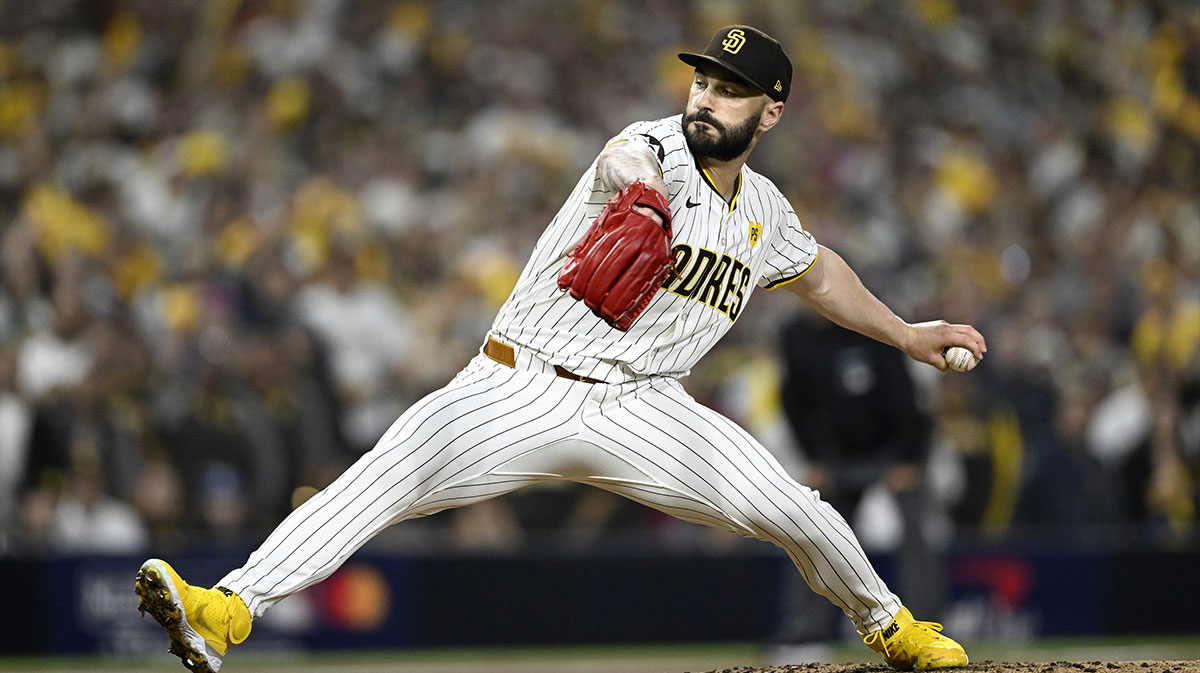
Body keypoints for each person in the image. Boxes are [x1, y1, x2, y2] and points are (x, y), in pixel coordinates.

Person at [135, 25, 985, 672]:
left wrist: (909, 333)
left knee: (796, 509)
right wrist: (649, 199)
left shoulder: (764, 210)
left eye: (730, 90)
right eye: (702, 79)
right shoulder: (654, 146)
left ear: (771, 110)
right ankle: (226, 610)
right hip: (520, 383)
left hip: (646, 405)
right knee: (384, 473)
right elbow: (623, 160)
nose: (705, 98)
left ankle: (893, 627)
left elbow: (821, 272)